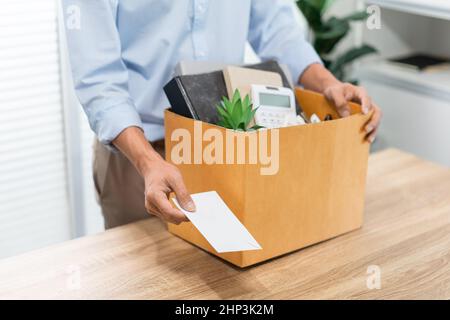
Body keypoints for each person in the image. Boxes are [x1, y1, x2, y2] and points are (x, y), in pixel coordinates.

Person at [63, 0, 381, 229]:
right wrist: (148, 162)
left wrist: (329, 84)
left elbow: (276, 29)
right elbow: (98, 77)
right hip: (137, 161)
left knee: (220, 285)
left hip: (221, 148)